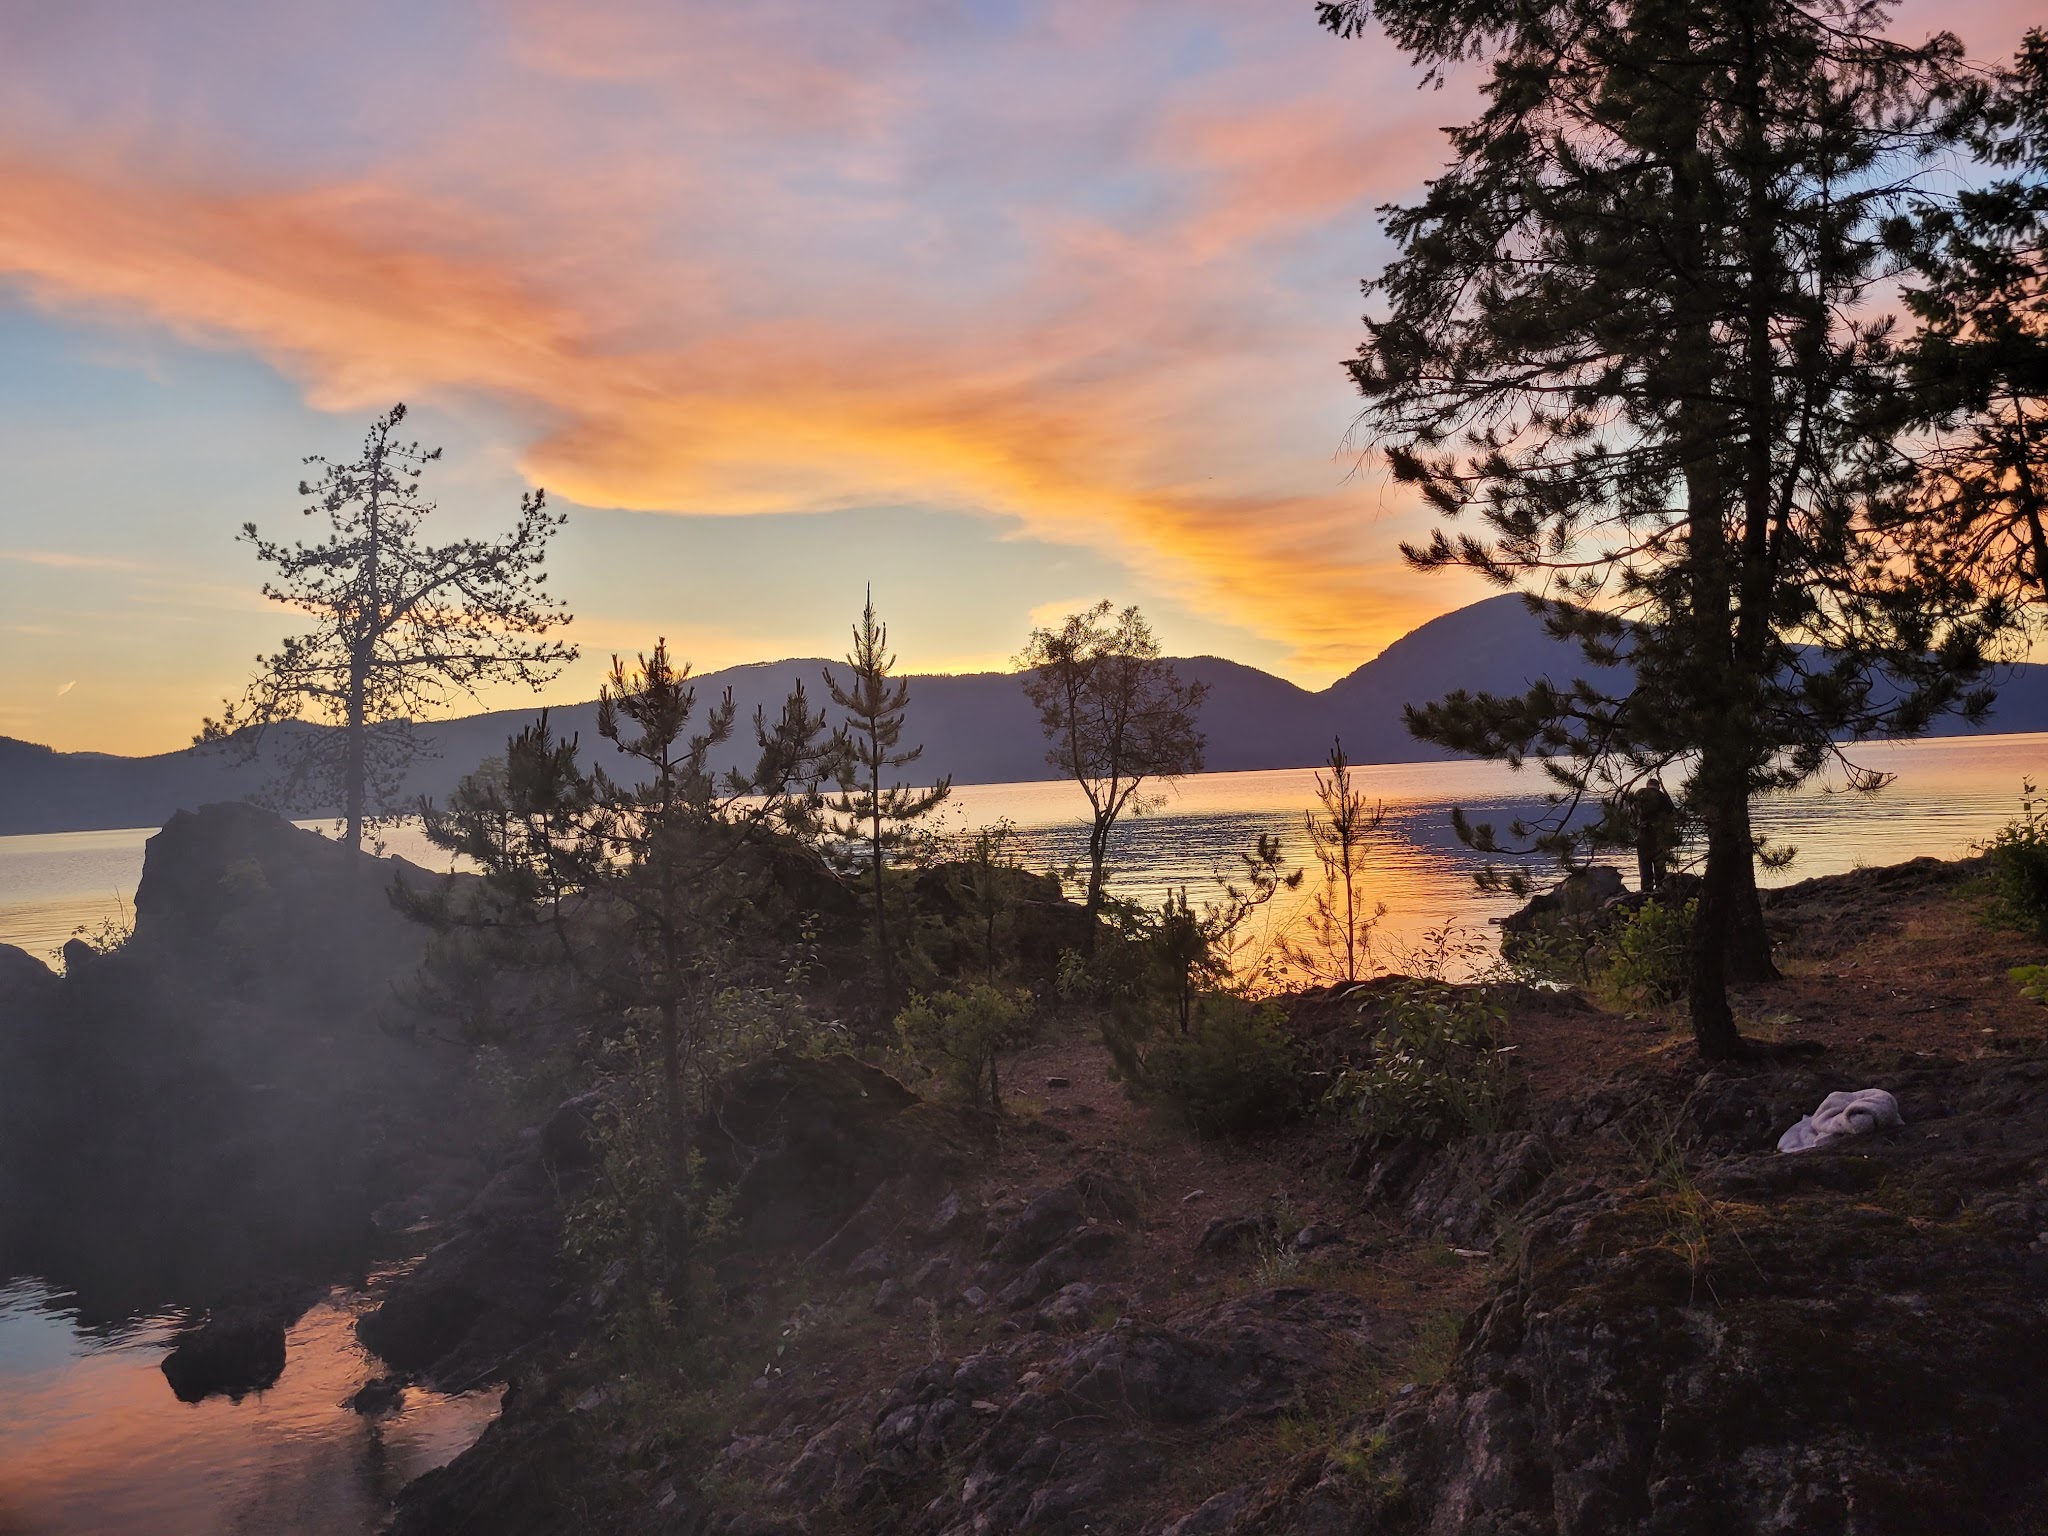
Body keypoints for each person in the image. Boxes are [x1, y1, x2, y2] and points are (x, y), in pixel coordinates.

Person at [1631, 776, 1678, 893]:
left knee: (1644, 867)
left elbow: (1632, 814)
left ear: (1647, 785)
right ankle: (1660, 891)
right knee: (1659, 867)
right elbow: (1673, 815)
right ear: (1658, 786)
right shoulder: (1663, 797)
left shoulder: (1639, 794)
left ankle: (1646, 892)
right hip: (1659, 836)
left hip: (1642, 836)